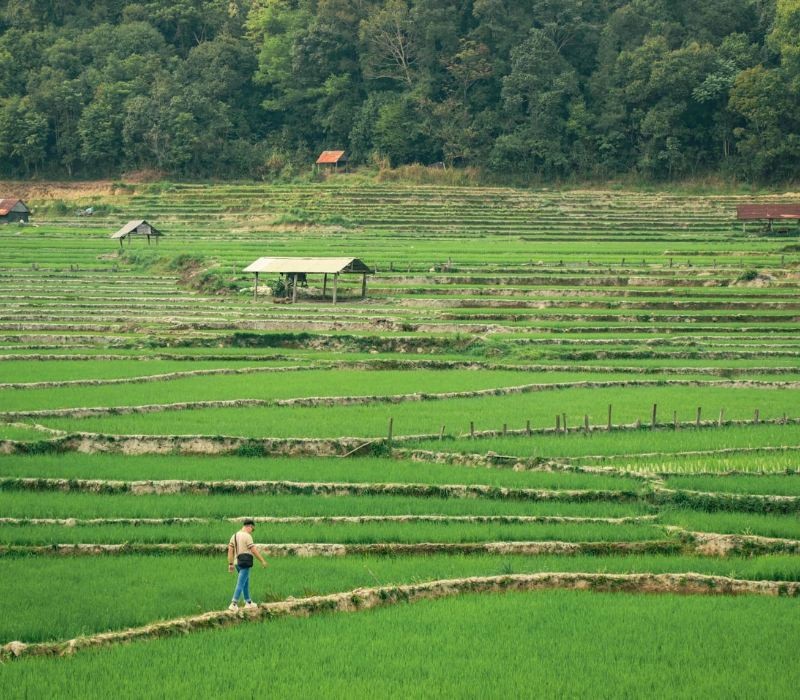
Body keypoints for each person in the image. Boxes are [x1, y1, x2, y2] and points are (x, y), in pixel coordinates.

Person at [227, 518, 267, 610]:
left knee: (245, 582)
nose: (252, 531)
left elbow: (230, 550)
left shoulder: (234, 536)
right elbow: (253, 550)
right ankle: (233, 603)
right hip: (245, 562)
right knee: (240, 583)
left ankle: (248, 602)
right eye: (253, 529)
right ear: (250, 526)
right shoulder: (247, 536)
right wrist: (262, 561)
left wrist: (230, 564)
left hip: (237, 563)